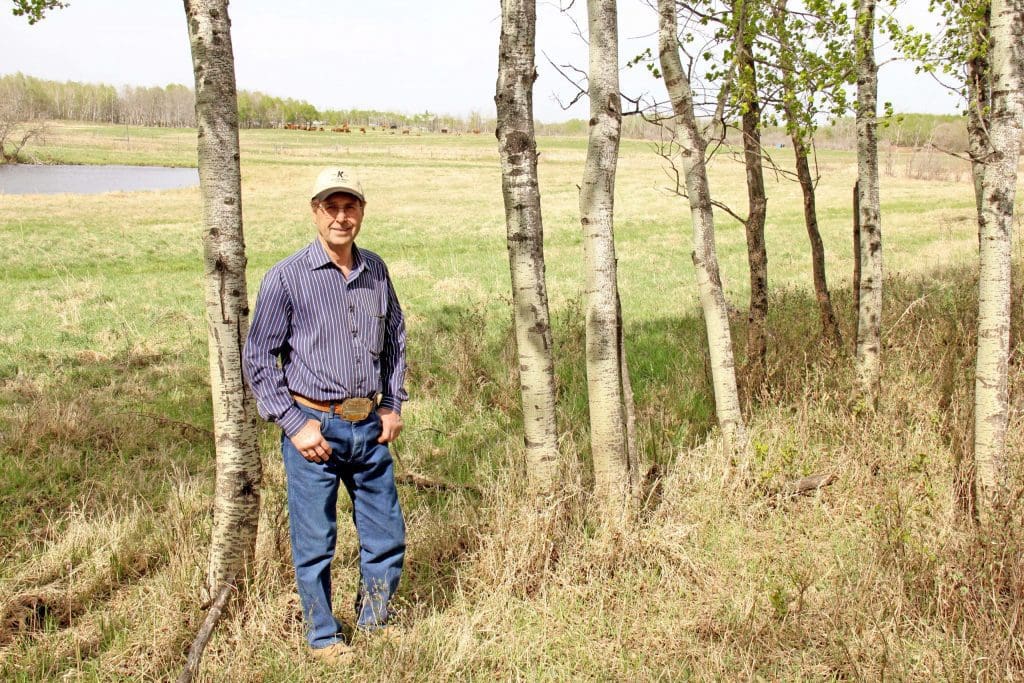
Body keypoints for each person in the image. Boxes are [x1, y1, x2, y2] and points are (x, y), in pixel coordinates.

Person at [243, 166, 408, 664]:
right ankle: (322, 637)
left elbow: (396, 340)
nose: (341, 217)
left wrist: (393, 405)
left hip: (370, 429)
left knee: (386, 534)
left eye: (349, 206)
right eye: (330, 207)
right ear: (315, 212)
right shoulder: (287, 277)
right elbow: (257, 358)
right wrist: (294, 424)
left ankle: (375, 622)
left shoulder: (376, 270)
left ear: (361, 211)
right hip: (316, 430)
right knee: (316, 540)